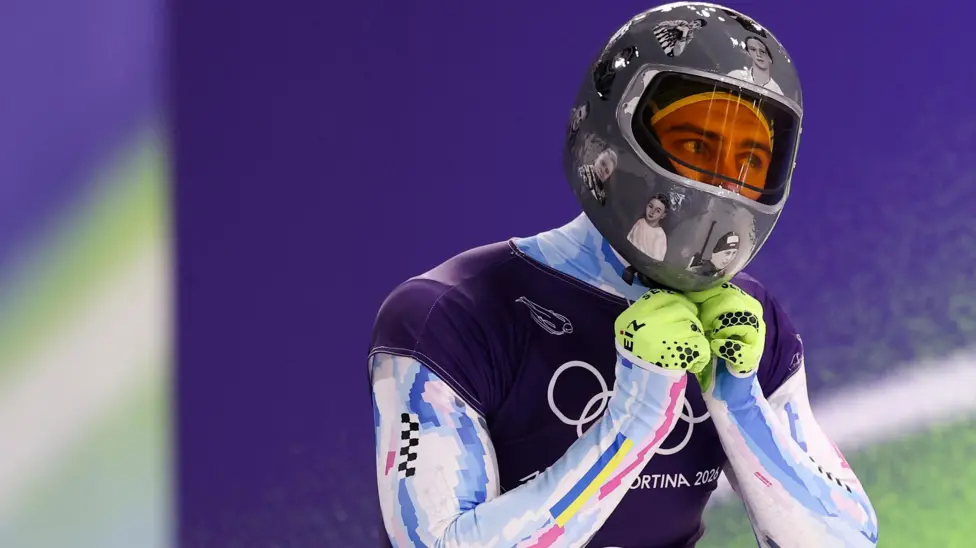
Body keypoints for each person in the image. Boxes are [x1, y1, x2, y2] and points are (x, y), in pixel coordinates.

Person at [369, 3, 879, 547]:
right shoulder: (448, 315)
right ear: (610, 134)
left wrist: (739, 403)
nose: (725, 185)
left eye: (750, 161)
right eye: (696, 146)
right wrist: (633, 422)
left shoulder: (746, 323)